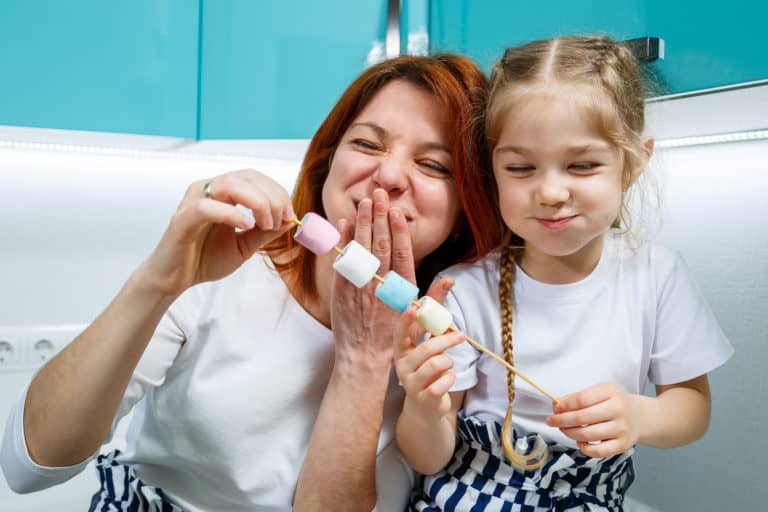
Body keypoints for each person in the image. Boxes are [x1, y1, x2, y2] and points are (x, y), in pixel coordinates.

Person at [0, 54, 489, 511]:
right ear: (326, 164)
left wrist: (363, 359)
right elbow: (28, 467)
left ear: (465, 215)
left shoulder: (440, 353)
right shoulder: (231, 270)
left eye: (432, 164)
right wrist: (159, 282)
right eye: (366, 143)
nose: (387, 175)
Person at [393, 36, 734, 510]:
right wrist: (425, 407)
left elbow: (693, 408)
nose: (551, 191)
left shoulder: (656, 274)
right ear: (493, 172)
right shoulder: (463, 291)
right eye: (521, 167)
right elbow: (429, 459)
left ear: (633, 163)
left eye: (582, 164)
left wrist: (640, 416)